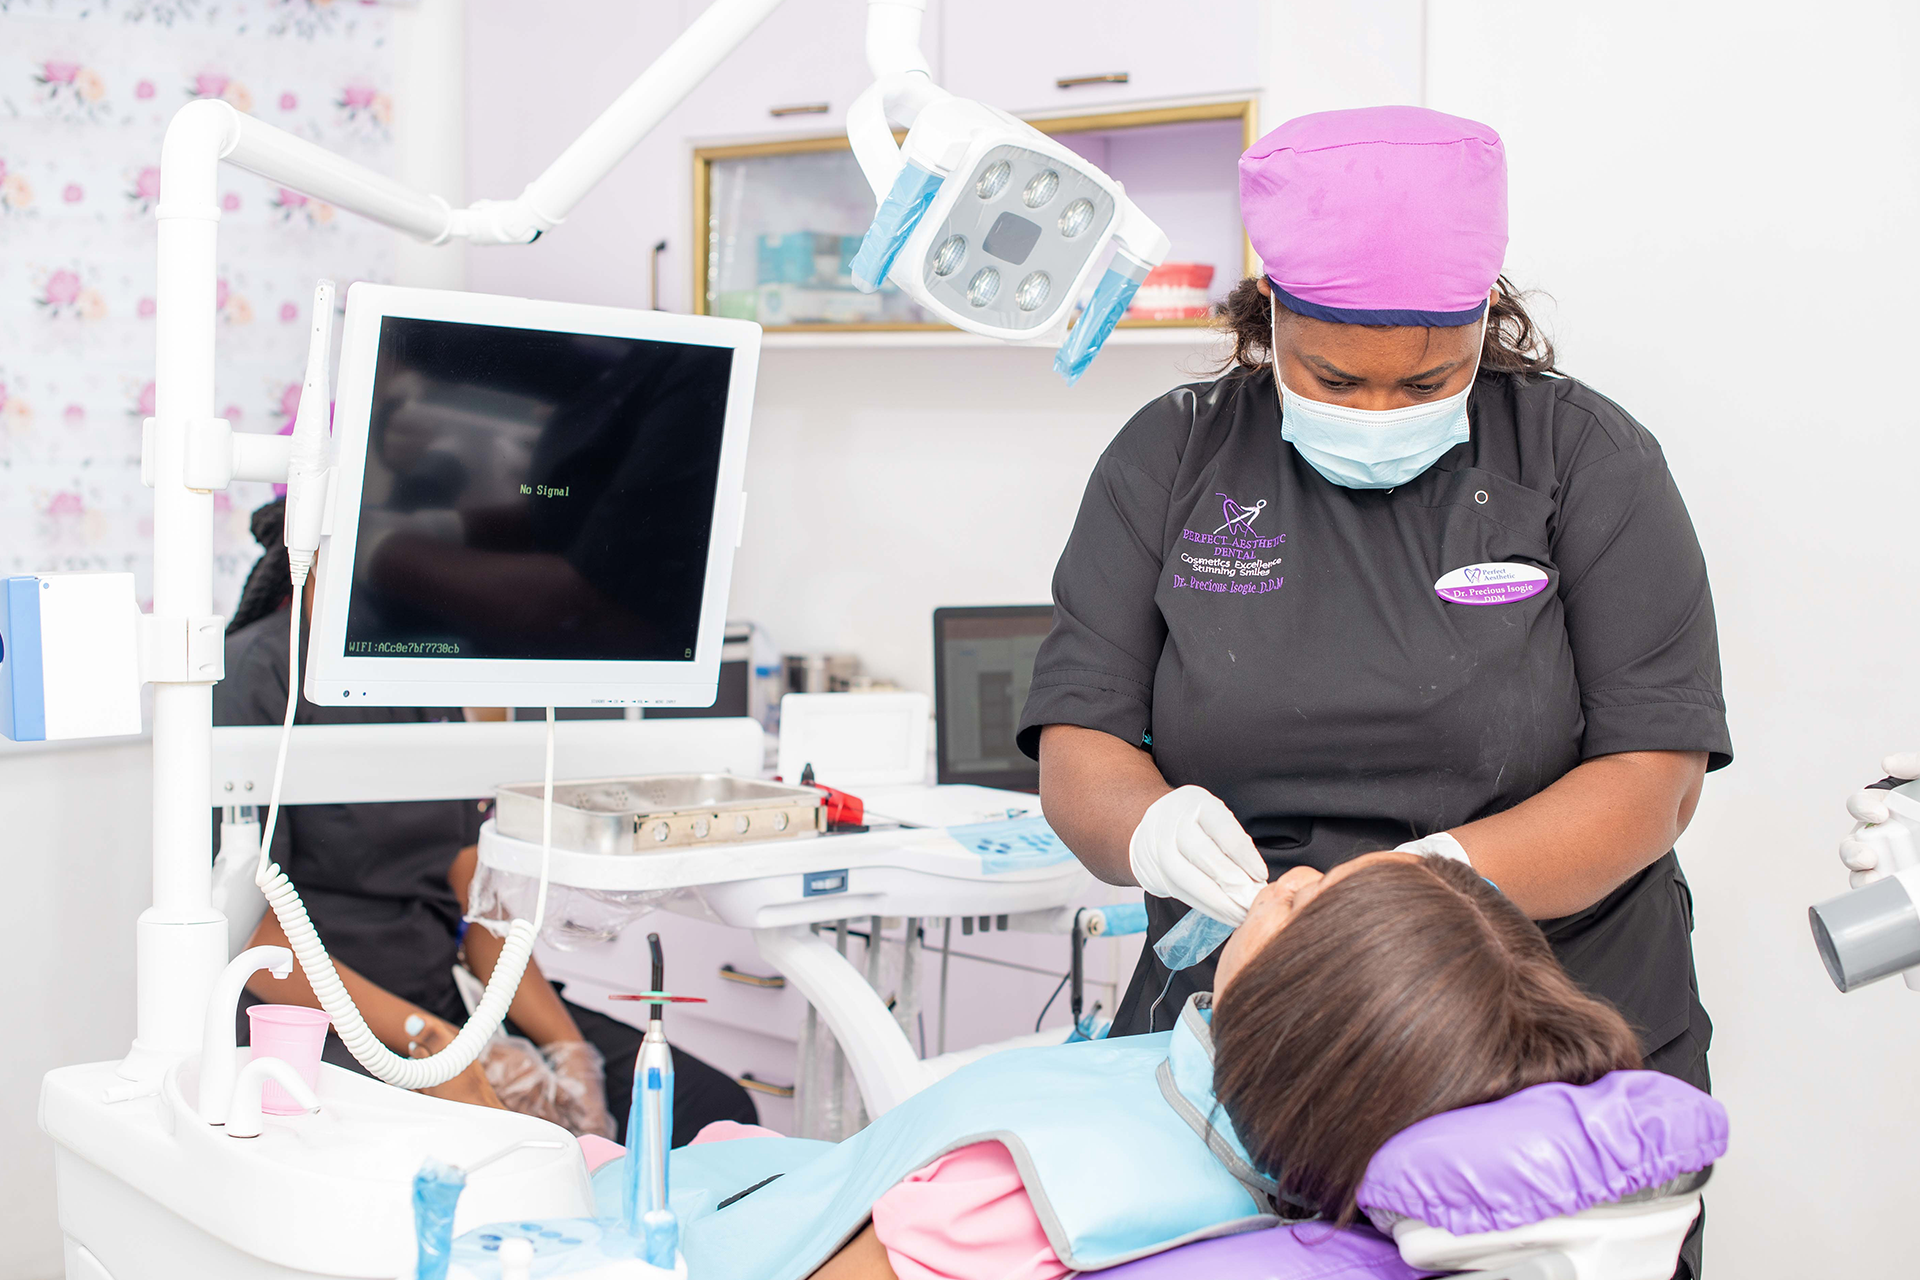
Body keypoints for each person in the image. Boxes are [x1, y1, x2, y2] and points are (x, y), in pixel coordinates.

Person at [1014, 106, 1730, 1278]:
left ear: (1482, 324)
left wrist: (1426, 884)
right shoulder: (1174, 457)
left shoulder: (1583, 461)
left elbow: (1652, 778)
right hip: (1256, 1037)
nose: (1382, 412)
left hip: (1534, 1036)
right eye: (1335, 376)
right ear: (1271, 312)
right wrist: (1151, 827)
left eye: (1430, 380)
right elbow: (1081, 742)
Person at [583, 852, 1673, 1280]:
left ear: (1296, 1013)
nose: (1286, 872)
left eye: (1305, 896)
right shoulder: (1300, 1154)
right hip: (768, 1170)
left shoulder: (1018, 1195)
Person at [216, 496, 758, 1142]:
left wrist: (567, 1050)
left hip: (442, 999)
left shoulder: (409, 674)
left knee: (705, 1104)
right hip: (322, 1018)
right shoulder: (255, 676)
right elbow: (254, 933)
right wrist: (434, 1048)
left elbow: (471, 891)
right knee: (502, 1146)